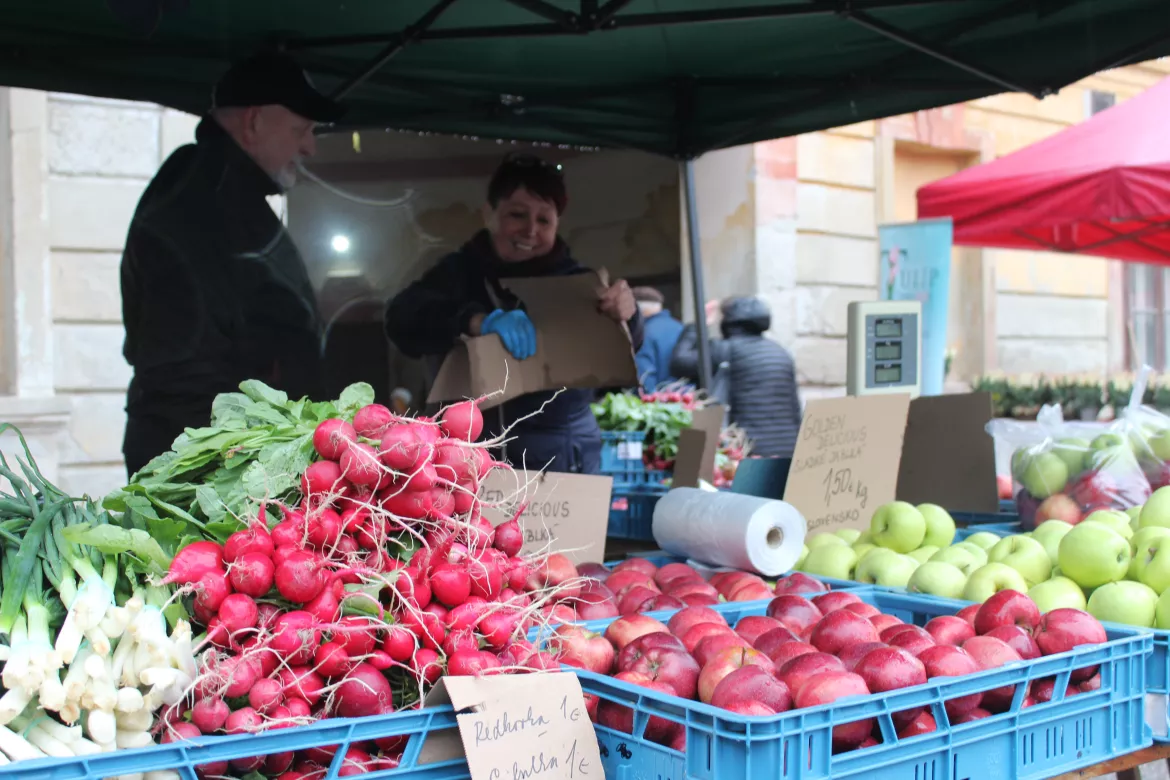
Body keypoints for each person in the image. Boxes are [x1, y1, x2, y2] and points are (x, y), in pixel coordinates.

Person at [119, 52, 344, 477]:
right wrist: (235, 463)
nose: (310, 146)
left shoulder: (217, 190)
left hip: (230, 454)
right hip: (209, 465)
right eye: (301, 129)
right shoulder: (198, 201)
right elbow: (184, 364)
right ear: (254, 122)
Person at [385, 152, 643, 474]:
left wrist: (627, 315)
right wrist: (475, 320)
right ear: (489, 214)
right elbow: (401, 319)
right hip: (470, 458)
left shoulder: (579, 285)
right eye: (517, 215)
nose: (530, 230)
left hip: (563, 458)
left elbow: (626, 348)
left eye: (544, 220)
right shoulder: (456, 275)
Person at [670, 296, 802, 458]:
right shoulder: (780, 352)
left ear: (729, 321)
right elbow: (794, 406)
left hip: (744, 447)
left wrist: (697, 325)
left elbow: (679, 363)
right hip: (786, 446)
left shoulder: (725, 349)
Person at [632, 286, 684, 391]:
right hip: (685, 398)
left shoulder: (643, 334)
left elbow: (644, 379)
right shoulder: (681, 327)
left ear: (636, 310)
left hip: (657, 402)